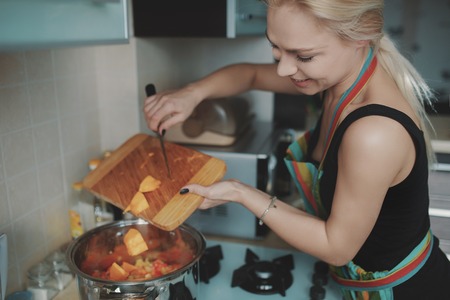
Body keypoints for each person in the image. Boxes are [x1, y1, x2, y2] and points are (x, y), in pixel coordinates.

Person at [143, 0, 450, 299]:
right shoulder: (339, 77)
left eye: (303, 57)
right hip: (355, 284)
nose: (283, 69)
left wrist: (241, 192)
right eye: (276, 48)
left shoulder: (374, 132)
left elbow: (337, 246)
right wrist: (190, 94)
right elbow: (249, 74)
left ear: (361, 35)